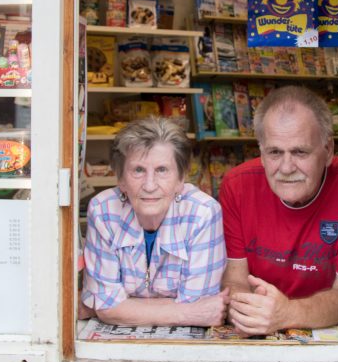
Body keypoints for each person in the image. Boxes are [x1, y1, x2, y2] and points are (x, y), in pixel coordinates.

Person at [219, 86, 338, 336]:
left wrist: (285, 313)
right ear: (261, 152)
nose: (287, 167)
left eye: (300, 152)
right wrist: (250, 315)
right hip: (260, 330)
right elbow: (235, 280)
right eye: (275, 152)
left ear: (329, 150)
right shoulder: (237, 185)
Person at [80, 116, 228, 326]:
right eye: (138, 170)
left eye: (162, 170)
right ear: (121, 178)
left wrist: (125, 306)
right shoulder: (103, 210)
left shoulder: (203, 213)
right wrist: (185, 313)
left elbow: (200, 302)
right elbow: (106, 308)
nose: (150, 185)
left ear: (181, 178)